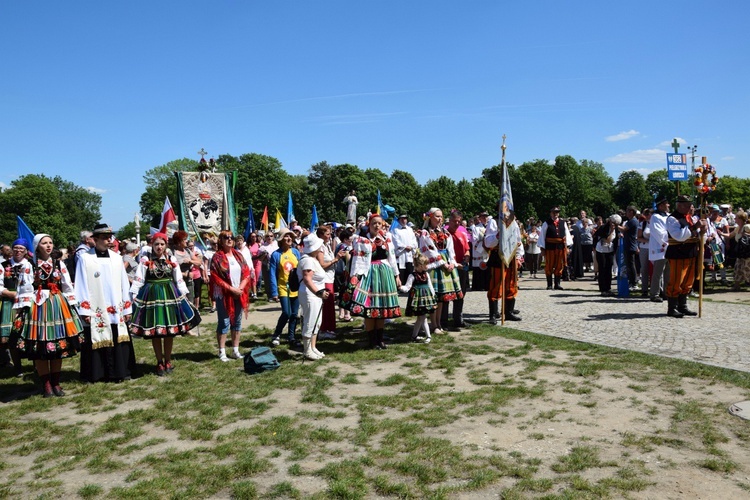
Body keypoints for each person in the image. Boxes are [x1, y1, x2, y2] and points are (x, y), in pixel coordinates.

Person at [14, 234, 83, 397]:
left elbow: (67, 285)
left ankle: (56, 383)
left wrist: (72, 304)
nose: (48, 246)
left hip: (58, 305)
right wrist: (24, 308)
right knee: (41, 347)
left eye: (50, 242)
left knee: (59, 346)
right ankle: (46, 384)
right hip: (38, 307)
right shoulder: (29, 265)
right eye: (44, 243)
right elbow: (25, 288)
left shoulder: (59, 263)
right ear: (37, 246)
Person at [130, 232, 201, 375]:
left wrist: (184, 293)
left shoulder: (171, 259)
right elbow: (139, 279)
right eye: (156, 244)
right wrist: (134, 295)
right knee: (156, 331)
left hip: (170, 294)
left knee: (169, 331)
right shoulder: (145, 259)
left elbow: (178, 278)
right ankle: (159, 362)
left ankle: (168, 360)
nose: (159, 247)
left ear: (166, 245)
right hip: (152, 296)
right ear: (152, 245)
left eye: (162, 244)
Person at [75, 224, 136, 383]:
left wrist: (127, 306)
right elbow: (80, 283)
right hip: (96, 308)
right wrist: (84, 310)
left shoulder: (117, 258)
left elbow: (124, 282)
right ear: (95, 240)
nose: (109, 240)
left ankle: (120, 371)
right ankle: (96, 373)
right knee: (95, 338)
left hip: (116, 306)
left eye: (110, 237)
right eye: (104, 238)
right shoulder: (85, 258)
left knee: (118, 338)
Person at [339, 214, 401, 349]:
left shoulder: (386, 239)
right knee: (370, 307)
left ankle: (380, 339)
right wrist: (355, 276)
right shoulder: (361, 239)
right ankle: (372, 340)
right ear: (369, 224)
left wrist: (396, 275)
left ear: (383, 225)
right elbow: (356, 259)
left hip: (384, 273)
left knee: (381, 307)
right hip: (369, 274)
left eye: (379, 223)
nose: (377, 226)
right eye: (374, 223)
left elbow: (391, 258)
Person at [417, 208, 462, 334]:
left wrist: (452, 262)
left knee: (442, 297)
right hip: (434, 265)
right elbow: (429, 250)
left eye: (441, 216)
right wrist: (443, 263)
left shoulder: (445, 232)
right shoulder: (425, 233)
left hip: (445, 263)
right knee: (435, 296)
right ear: (430, 217)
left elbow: (450, 249)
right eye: (437, 216)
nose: (440, 219)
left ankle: (439, 323)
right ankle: (434, 324)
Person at [210, 231, 251, 361]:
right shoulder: (217, 257)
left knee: (237, 322)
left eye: (231, 237)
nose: (229, 239)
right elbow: (216, 277)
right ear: (220, 241)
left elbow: (246, 273)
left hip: (239, 292)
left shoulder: (238, 255)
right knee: (224, 321)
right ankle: (222, 351)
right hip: (224, 294)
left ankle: (235, 350)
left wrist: (240, 288)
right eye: (225, 237)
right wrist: (231, 289)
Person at [664, 195, 706, 318]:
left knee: (688, 281)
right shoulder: (672, 219)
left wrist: (701, 231)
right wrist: (695, 227)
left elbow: (694, 234)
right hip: (678, 252)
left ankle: (683, 306)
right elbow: (679, 236)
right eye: (688, 205)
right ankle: (672, 308)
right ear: (680, 205)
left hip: (691, 252)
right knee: (676, 280)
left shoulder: (689, 218)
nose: (690, 208)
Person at [484, 211, 522, 323]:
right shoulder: (494, 222)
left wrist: (519, 256)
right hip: (498, 257)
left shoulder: (513, 222)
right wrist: (498, 235)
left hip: (511, 257)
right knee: (496, 285)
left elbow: (518, 240)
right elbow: (488, 243)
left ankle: (508, 312)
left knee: (511, 284)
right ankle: (493, 314)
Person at [297, 233, 330, 360]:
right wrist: (318, 292)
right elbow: (307, 279)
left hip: (315, 295)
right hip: (310, 295)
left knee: (317, 321)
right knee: (310, 321)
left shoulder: (312, 259)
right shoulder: (308, 260)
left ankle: (313, 347)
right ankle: (306, 350)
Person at [1, 240, 31, 377]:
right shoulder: (3, 266)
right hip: (10, 302)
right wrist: (8, 293)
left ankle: (37, 364)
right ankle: (17, 367)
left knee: (31, 333)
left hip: (28, 303)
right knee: (12, 337)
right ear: (12, 250)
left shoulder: (31, 265)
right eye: (16, 248)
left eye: (21, 248)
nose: (18, 250)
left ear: (25, 251)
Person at [269, 228, 302, 349]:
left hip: (295, 288)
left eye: (290, 237)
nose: (289, 239)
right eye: (286, 236)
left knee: (294, 314)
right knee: (286, 313)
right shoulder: (276, 255)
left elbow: (300, 269)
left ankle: (291, 337)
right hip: (283, 288)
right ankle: (276, 334)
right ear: (281, 239)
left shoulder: (295, 252)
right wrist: (274, 291)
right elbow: (272, 274)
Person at [441, 210, 470, 328]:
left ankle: (458, 319)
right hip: (449, 267)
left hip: (461, 266)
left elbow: (467, 248)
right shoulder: (444, 234)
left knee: (461, 294)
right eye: (454, 221)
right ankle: (443, 320)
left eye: (459, 221)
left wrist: (467, 256)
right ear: (450, 221)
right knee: (447, 295)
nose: (457, 223)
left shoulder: (462, 233)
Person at [315, 225, 345, 340]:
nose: (330, 236)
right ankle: (323, 329)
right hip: (324, 279)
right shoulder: (320, 247)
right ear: (321, 235)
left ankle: (329, 328)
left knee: (330, 304)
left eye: (330, 233)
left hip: (330, 278)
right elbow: (322, 264)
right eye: (327, 234)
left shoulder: (326, 245)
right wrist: (336, 259)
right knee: (326, 305)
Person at [399, 254, 437, 343]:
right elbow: (407, 287)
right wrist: (401, 287)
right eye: (426, 264)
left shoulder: (426, 274)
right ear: (420, 265)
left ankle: (414, 336)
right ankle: (428, 336)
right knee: (423, 318)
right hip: (417, 300)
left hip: (426, 299)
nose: (427, 266)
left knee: (420, 319)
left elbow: (430, 286)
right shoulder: (412, 276)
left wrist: (433, 295)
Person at [539, 206, 572, 290]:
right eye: (554, 212)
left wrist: (567, 246)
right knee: (549, 265)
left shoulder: (562, 222)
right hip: (550, 247)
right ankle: (549, 284)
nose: (555, 214)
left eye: (557, 212)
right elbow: (542, 235)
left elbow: (567, 235)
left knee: (559, 265)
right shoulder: (546, 223)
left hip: (560, 247)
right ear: (551, 213)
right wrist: (542, 248)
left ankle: (557, 284)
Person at [172, 231, 203, 304]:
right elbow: (170, 269)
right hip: (177, 283)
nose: (187, 241)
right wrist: (183, 274)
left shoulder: (187, 251)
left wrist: (190, 261)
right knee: (180, 303)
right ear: (179, 241)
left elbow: (199, 262)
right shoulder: (173, 252)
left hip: (189, 282)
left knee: (190, 303)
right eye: (184, 239)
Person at [594, 215, 618, 296]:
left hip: (610, 250)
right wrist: (611, 231)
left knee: (609, 269)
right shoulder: (604, 228)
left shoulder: (616, 229)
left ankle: (608, 288)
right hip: (601, 250)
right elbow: (607, 240)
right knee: (603, 269)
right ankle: (603, 289)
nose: (614, 225)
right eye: (613, 223)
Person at [391, 214, 417, 285]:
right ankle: (400, 286)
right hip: (401, 253)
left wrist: (411, 247)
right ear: (399, 220)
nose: (404, 220)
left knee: (410, 270)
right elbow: (395, 241)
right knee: (401, 270)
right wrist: (405, 247)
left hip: (409, 253)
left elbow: (414, 240)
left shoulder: (410, 229)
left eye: (405, 218)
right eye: (402, 219)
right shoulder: (395, 230)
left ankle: (409, 286)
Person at [471, 211, 490, 291]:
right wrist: (483, 246)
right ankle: (478, 286)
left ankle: (487, 285)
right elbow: (474, 240)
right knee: (479, 269)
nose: (484, 218)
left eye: (486, 217)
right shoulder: (476, 228)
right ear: (480, 218)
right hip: (480, 251)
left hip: (488, 251)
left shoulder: (490, 227)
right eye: (483, 217)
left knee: (487, 268)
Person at [636, 209, 653, 297]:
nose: (647, 216)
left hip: (655, 249)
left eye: (649, 214)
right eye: (646, 214)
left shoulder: (656, 223)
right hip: (644, 248)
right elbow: (638, 237)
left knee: (656, 270)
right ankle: (644, 289)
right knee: (644, 269)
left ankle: (656, 289)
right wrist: (647, 240)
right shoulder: (642, 224)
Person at [259, 232, 278, 301]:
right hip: (266, 264)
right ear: (265, 238)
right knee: (267, 280)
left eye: (271, 236)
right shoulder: (262, 247)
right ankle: (270, 295)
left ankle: (276, 294)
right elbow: (260, 259)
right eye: (267, 236)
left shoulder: (276, 245)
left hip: (276, 264)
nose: (269, 238)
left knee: (276, 279)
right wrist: (264, 255)